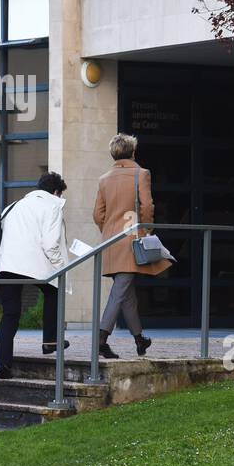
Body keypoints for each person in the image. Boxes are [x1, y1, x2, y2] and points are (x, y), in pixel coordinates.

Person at [93, 133, 170, 359]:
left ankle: (139, 340)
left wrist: (109, 231)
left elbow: (98, 214)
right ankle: (100, 339)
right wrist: (146, 230)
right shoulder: (141, 174)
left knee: (126, 293)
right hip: (132, 239)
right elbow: (146, 206)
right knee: (120, 292)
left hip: (110, 241)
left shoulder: (104, 179)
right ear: (133, 152)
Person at [0, 172, 72, 379]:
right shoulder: (53, 206)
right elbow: (51, 244)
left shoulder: (13, 206)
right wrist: (62, 267)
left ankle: (2, 364)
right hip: (35, 266)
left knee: (10, 314)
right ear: (56, 192)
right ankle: (50, 341)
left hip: (7, 266)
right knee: (53, 290)